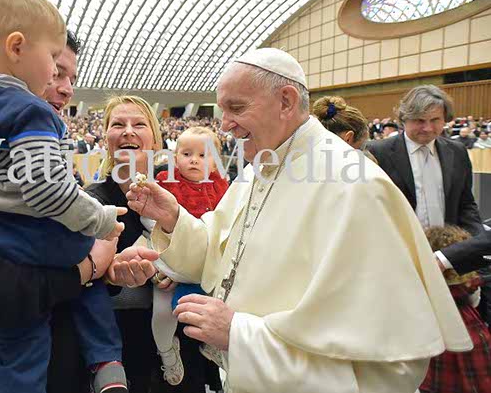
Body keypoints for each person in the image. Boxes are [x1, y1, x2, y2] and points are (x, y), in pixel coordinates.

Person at [124, 48, 471, 393]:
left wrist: (239, 334)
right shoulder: (258, 168)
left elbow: (383, 361)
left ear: (286, 102)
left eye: (236, 108)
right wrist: (174, 219)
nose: (225, 124)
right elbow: (217, 253)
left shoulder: (356, 186)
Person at [0, 0, 126, 393]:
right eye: (55, 68)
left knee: (23, 351)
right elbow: (48, 194)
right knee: (90, 274)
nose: (65, 86)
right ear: (17, 48)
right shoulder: (33, 113)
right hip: (33, 245)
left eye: (72, 77)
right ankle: (108, 361)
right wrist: (99, 229)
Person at [85, 95, 178, 393]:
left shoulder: (176, 195)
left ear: (155, 140)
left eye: (139, 124)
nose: (128, 131)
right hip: (119, 339)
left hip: (178, 338)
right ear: (106, 139)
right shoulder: (90, 201)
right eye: (118, 125)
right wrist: (110, 273)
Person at [368, 86, 484, 267]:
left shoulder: (458, 151)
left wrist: (477, 244)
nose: (428, 128)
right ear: (404, 119)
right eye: (419, 120)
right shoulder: (377, 152)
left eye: (435, 120)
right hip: (396, 257)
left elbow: (466, 204)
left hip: (447, 257)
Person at [150, 127, 227, 389]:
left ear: (215, 163)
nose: (194, 160)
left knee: (216, 306)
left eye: (203, 155)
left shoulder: (223, 187)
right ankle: (166, 351)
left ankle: (212, 345)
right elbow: (151, 219)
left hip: (207, 263)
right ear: (175, 158)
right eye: (186, 154)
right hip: (169, 260)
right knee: (163, 310)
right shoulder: (166, 183)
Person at [420, 225, 491, 393]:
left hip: (437, 340)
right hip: (472, 336)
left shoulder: (424, 288)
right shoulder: (469, 284)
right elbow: (475, 301)